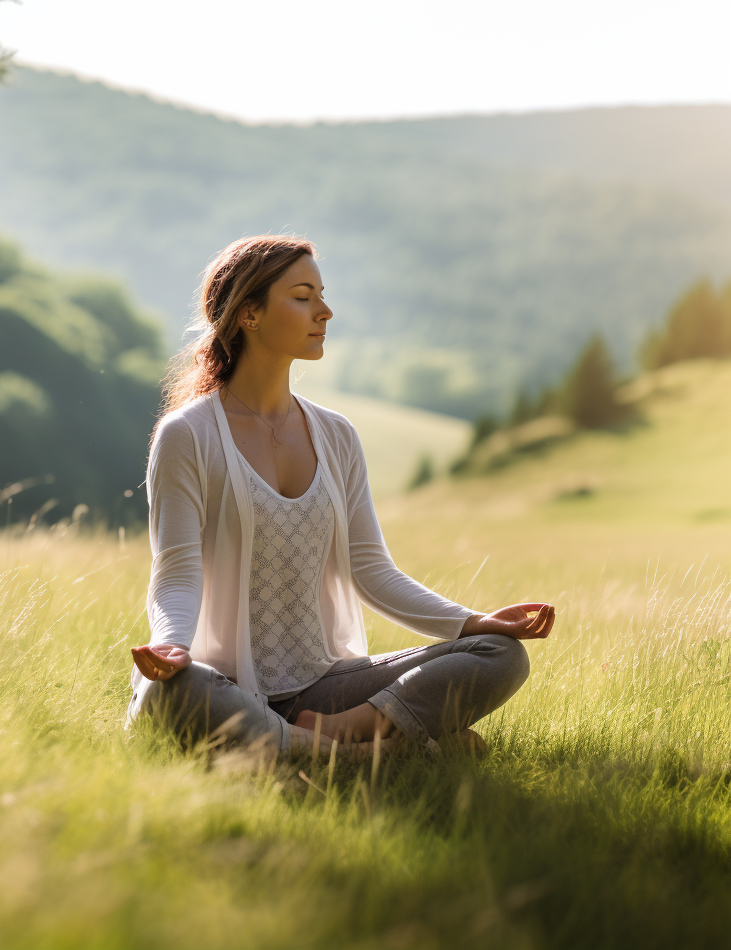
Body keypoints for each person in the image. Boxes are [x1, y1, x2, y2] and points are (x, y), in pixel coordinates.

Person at [128, 235, 555, 758]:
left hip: (324, 689)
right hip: (223, 685)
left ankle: (325, 739)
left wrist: (472, 623)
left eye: (321, 295)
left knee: (500, 655)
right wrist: (172, 644)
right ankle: (370, 756)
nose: (325, 311)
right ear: (249, 315)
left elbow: (371, 571)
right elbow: (176, 571)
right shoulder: (188, 434)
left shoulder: (336, 435)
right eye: (303, 296)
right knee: (170, 689)